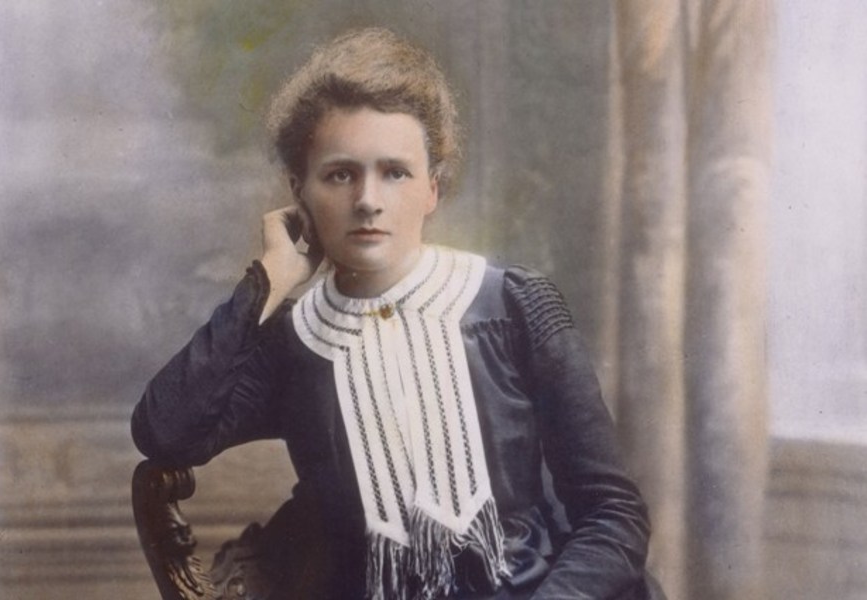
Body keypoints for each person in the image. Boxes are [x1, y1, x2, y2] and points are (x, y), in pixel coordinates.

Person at [132, 27, 658, 600]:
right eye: (340, 174)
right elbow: (165, 431)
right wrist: (270, 280)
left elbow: (614, 515)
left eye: (395, 172)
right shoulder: (296, 343)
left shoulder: (513, 308)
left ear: (432, 189)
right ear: (299, 193)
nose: (367, 200)